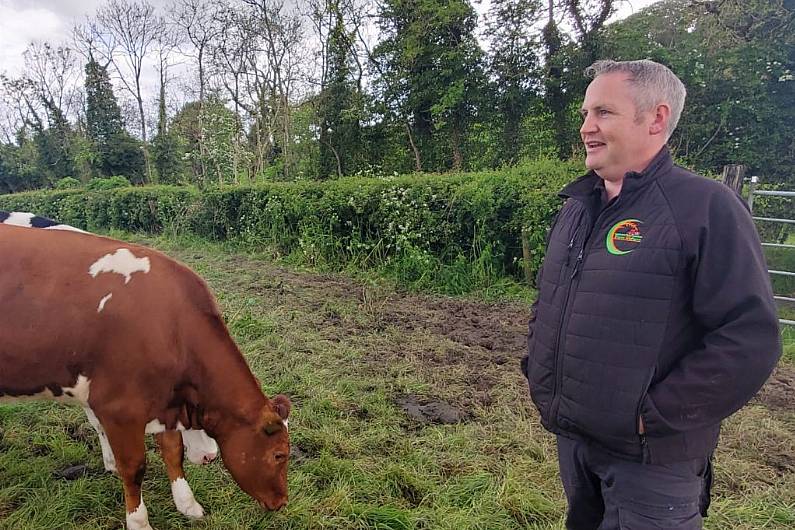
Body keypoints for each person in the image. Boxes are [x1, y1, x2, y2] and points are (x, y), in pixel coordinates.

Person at [521, 59, 782, 529]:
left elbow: (749, 337)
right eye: (585, 114)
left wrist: (652, 415)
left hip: (652, 461)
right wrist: (537, 371)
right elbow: (552, 296)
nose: (586, 127)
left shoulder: (705, 207)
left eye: (603, 112)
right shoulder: (579, 207)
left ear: (656, 119)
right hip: (576, 439)